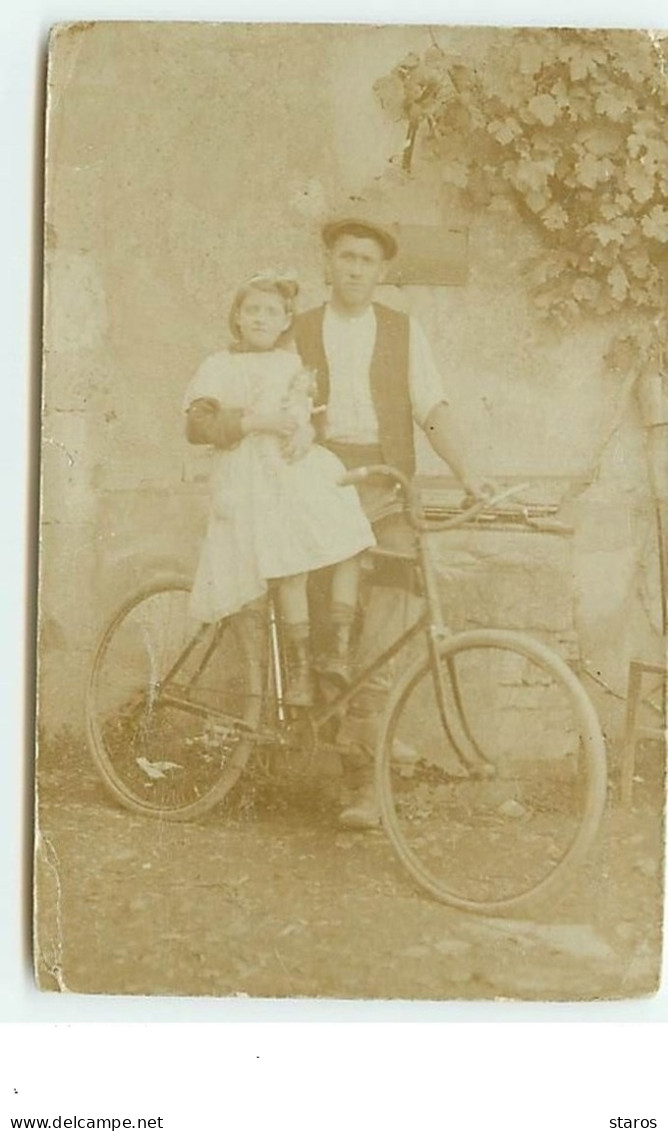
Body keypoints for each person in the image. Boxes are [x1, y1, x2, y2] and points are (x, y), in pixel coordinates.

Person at [292, 217, 495, 828]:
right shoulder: (296, 331)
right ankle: (351, 769)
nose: (356, 269)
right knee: (329, 631)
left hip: (386, 487)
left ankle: (369, 776)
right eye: (346, 257)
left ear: (382, 273)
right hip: (318, 485)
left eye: (368, 261)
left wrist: (467, 473)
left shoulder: (404, 333)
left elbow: (431, 408)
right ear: (328, 262)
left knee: (385, 627)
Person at [183, 272, 375, 706]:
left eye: (272, 311)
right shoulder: (219, 365)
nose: (260, 318)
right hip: (248, 475)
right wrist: (256, 422)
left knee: (352, 537)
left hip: (292, 469)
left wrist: (306, 431)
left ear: (286, 320)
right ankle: (301, 672)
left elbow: (306, 413)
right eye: (251, 309)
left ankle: (336, 654)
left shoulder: (291, 364)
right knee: (292, 565)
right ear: (237, 316)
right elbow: (198, 426)